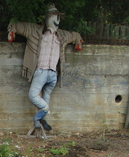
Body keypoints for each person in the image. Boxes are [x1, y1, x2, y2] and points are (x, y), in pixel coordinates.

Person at [8, 4, 83, 133]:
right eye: (54, 18)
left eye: (58, 18)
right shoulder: (36, 32)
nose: (57, 21)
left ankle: (40, 117)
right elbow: (19, 25)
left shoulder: (62, 36)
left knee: (41, 96)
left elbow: (75, 35)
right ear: (46, 19)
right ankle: (42, 116)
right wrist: (12, 31)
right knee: (34, 96)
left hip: (53, 73)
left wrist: (78, 41)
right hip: (40, 71)